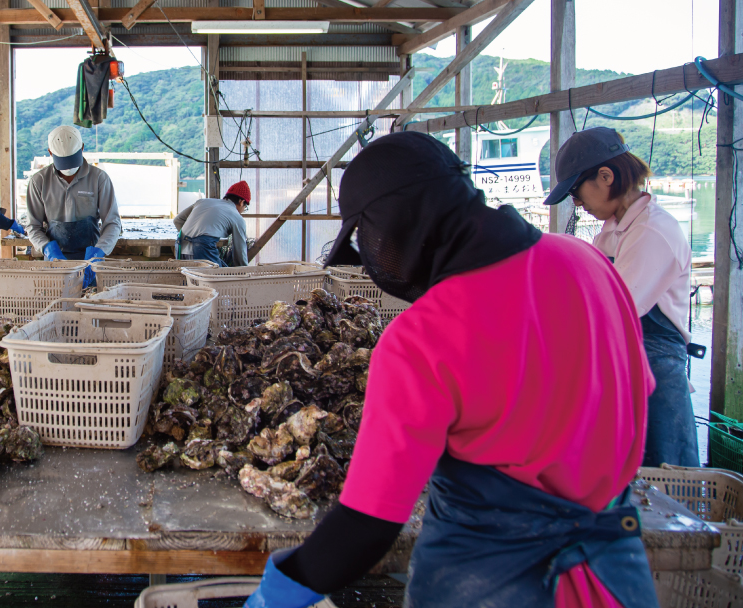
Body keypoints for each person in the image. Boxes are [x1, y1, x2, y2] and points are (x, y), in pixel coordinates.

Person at [245, 132, 657, 608]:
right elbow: (635, 394)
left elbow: (367, 526)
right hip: (613, 579)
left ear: (399, 225)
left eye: (369, 237)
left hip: (490, 586)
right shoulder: (588, 264)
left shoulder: (421, 338)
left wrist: (280, 590)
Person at [544, 126, 698, 468]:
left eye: (577, 192)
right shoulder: (614, 229)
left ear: (605, 176)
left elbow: (611, 311)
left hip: (655, 372)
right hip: (623, 363)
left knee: (669, 482)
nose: (577, 203)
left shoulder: (652, 231)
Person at [25, 125, 121, 288]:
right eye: (63, 162)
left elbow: (112, 223)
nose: (68, 167)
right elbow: (33, 226)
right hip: (55, 262)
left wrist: (99, 252)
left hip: (90, 260)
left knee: (90, 306)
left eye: (72, 160)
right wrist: (47, 248)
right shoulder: (39, 181)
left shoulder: (99, 179)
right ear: (50, 152)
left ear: (82, 148)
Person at [173, 181, 250, 266]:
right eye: (245, 207)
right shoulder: (237, 217)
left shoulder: (202, 202)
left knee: (187, 278)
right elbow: (240, 253)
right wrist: (244, 273)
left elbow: (177, 220)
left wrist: (190, 238)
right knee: (220, 277)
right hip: (202, 247)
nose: (243, 210)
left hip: (180, 245)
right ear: (241, 202)